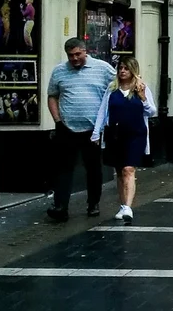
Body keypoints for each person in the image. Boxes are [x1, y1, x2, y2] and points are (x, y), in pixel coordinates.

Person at [45, 37, 116, 222]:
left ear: (86, 51)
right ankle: (61, 206)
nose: (75, 59)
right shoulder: (60, 71)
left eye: (78, 54)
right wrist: (57, 120)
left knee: (93, 168)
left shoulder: (102, 68)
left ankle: (93, 203)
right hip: (66, 128)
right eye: (71, 56)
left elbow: (118, 87)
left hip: (93, 129)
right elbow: (52, 96)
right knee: (63, 168)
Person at [90, 57, 157, 225]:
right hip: (115, 134)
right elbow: (103, 112)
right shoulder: (112, 89)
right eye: (120, 68)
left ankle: (128, 207)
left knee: (128, 169)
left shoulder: (141, 88)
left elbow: (151, 111)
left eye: (126, 68)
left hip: (136, 134)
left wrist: (143, 98)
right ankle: (122, 205)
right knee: (119, 171)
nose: (122, 71)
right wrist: (96, 134)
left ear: (133, 70)